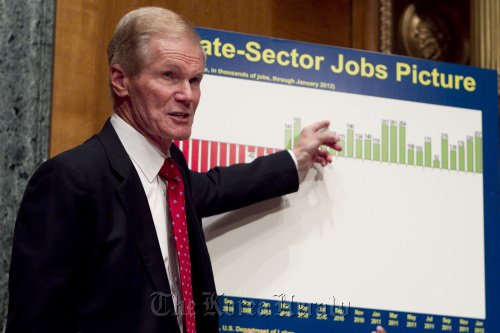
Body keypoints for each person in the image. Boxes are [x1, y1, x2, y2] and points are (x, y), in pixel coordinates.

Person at [6, 6, 383, 333]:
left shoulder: (174, 174)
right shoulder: (71, 179)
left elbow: (219, 187)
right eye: (168, 76)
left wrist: (295, 159)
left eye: (195, 79)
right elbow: (34, 324)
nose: (187, 95)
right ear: (120, 80)